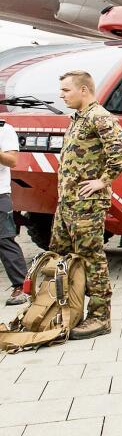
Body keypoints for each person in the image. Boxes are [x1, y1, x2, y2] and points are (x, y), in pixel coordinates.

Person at [52, 70, 122, 339]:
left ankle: (99, 317)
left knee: (91, 259)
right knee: (61, 256)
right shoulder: (76, 119)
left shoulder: (99, 117)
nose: (62, 95)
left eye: (66, 90)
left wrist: (103, 181)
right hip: (68, 204)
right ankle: (65, 310)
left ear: (84, 90)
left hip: (87, 205)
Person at [0, 120, 29, 306]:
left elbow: (12, 160)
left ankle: (22, 286)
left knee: (4, 239)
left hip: (0, 193)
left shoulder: (4, 129)